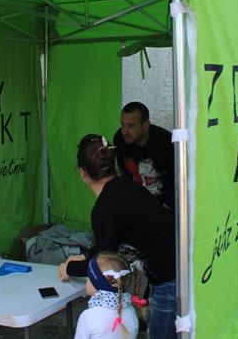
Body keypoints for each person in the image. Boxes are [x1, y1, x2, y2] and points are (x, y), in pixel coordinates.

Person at [60, 134, 177, 339]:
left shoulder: (105, 207)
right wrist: (86, 256)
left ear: (82, 171)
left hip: (169, 278)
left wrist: (68, 268)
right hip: (179, 267)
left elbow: (106, 265)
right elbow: (108, 243)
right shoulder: (126, 187)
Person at [113, 102, 175, 211]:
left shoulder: (166, 143)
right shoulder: (120, 139)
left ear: (146, 126)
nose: (125, 132)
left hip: (165, 206)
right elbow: (125, 176)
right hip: (137, 202)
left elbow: (179, 181)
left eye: (131, 126)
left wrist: (166, 206)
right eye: (123, 124)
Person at [75, 251, 143, 339]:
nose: (86, 281)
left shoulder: (88, 317)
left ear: (97, 285)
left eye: (88, 278)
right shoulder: (131, 311)